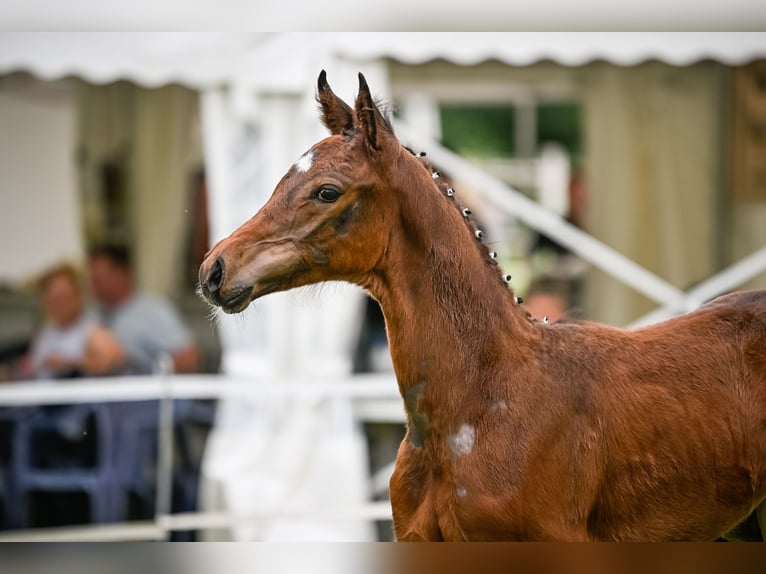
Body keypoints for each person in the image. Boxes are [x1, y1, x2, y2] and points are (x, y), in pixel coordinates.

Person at [87, 245, 200, 375]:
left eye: (99, 278)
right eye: (92, 279)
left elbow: (190, 356)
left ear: (122, 273)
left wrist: (143, 368)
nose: (93, 285)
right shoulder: (92, 314)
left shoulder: (154, 311)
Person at [29, 262, 125, 379]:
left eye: (64, 297)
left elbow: (116, 360)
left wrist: (71, 363)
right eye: (53, 298)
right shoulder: (46, 332)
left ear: (78, 296)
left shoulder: (90, 330)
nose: (59, 305)